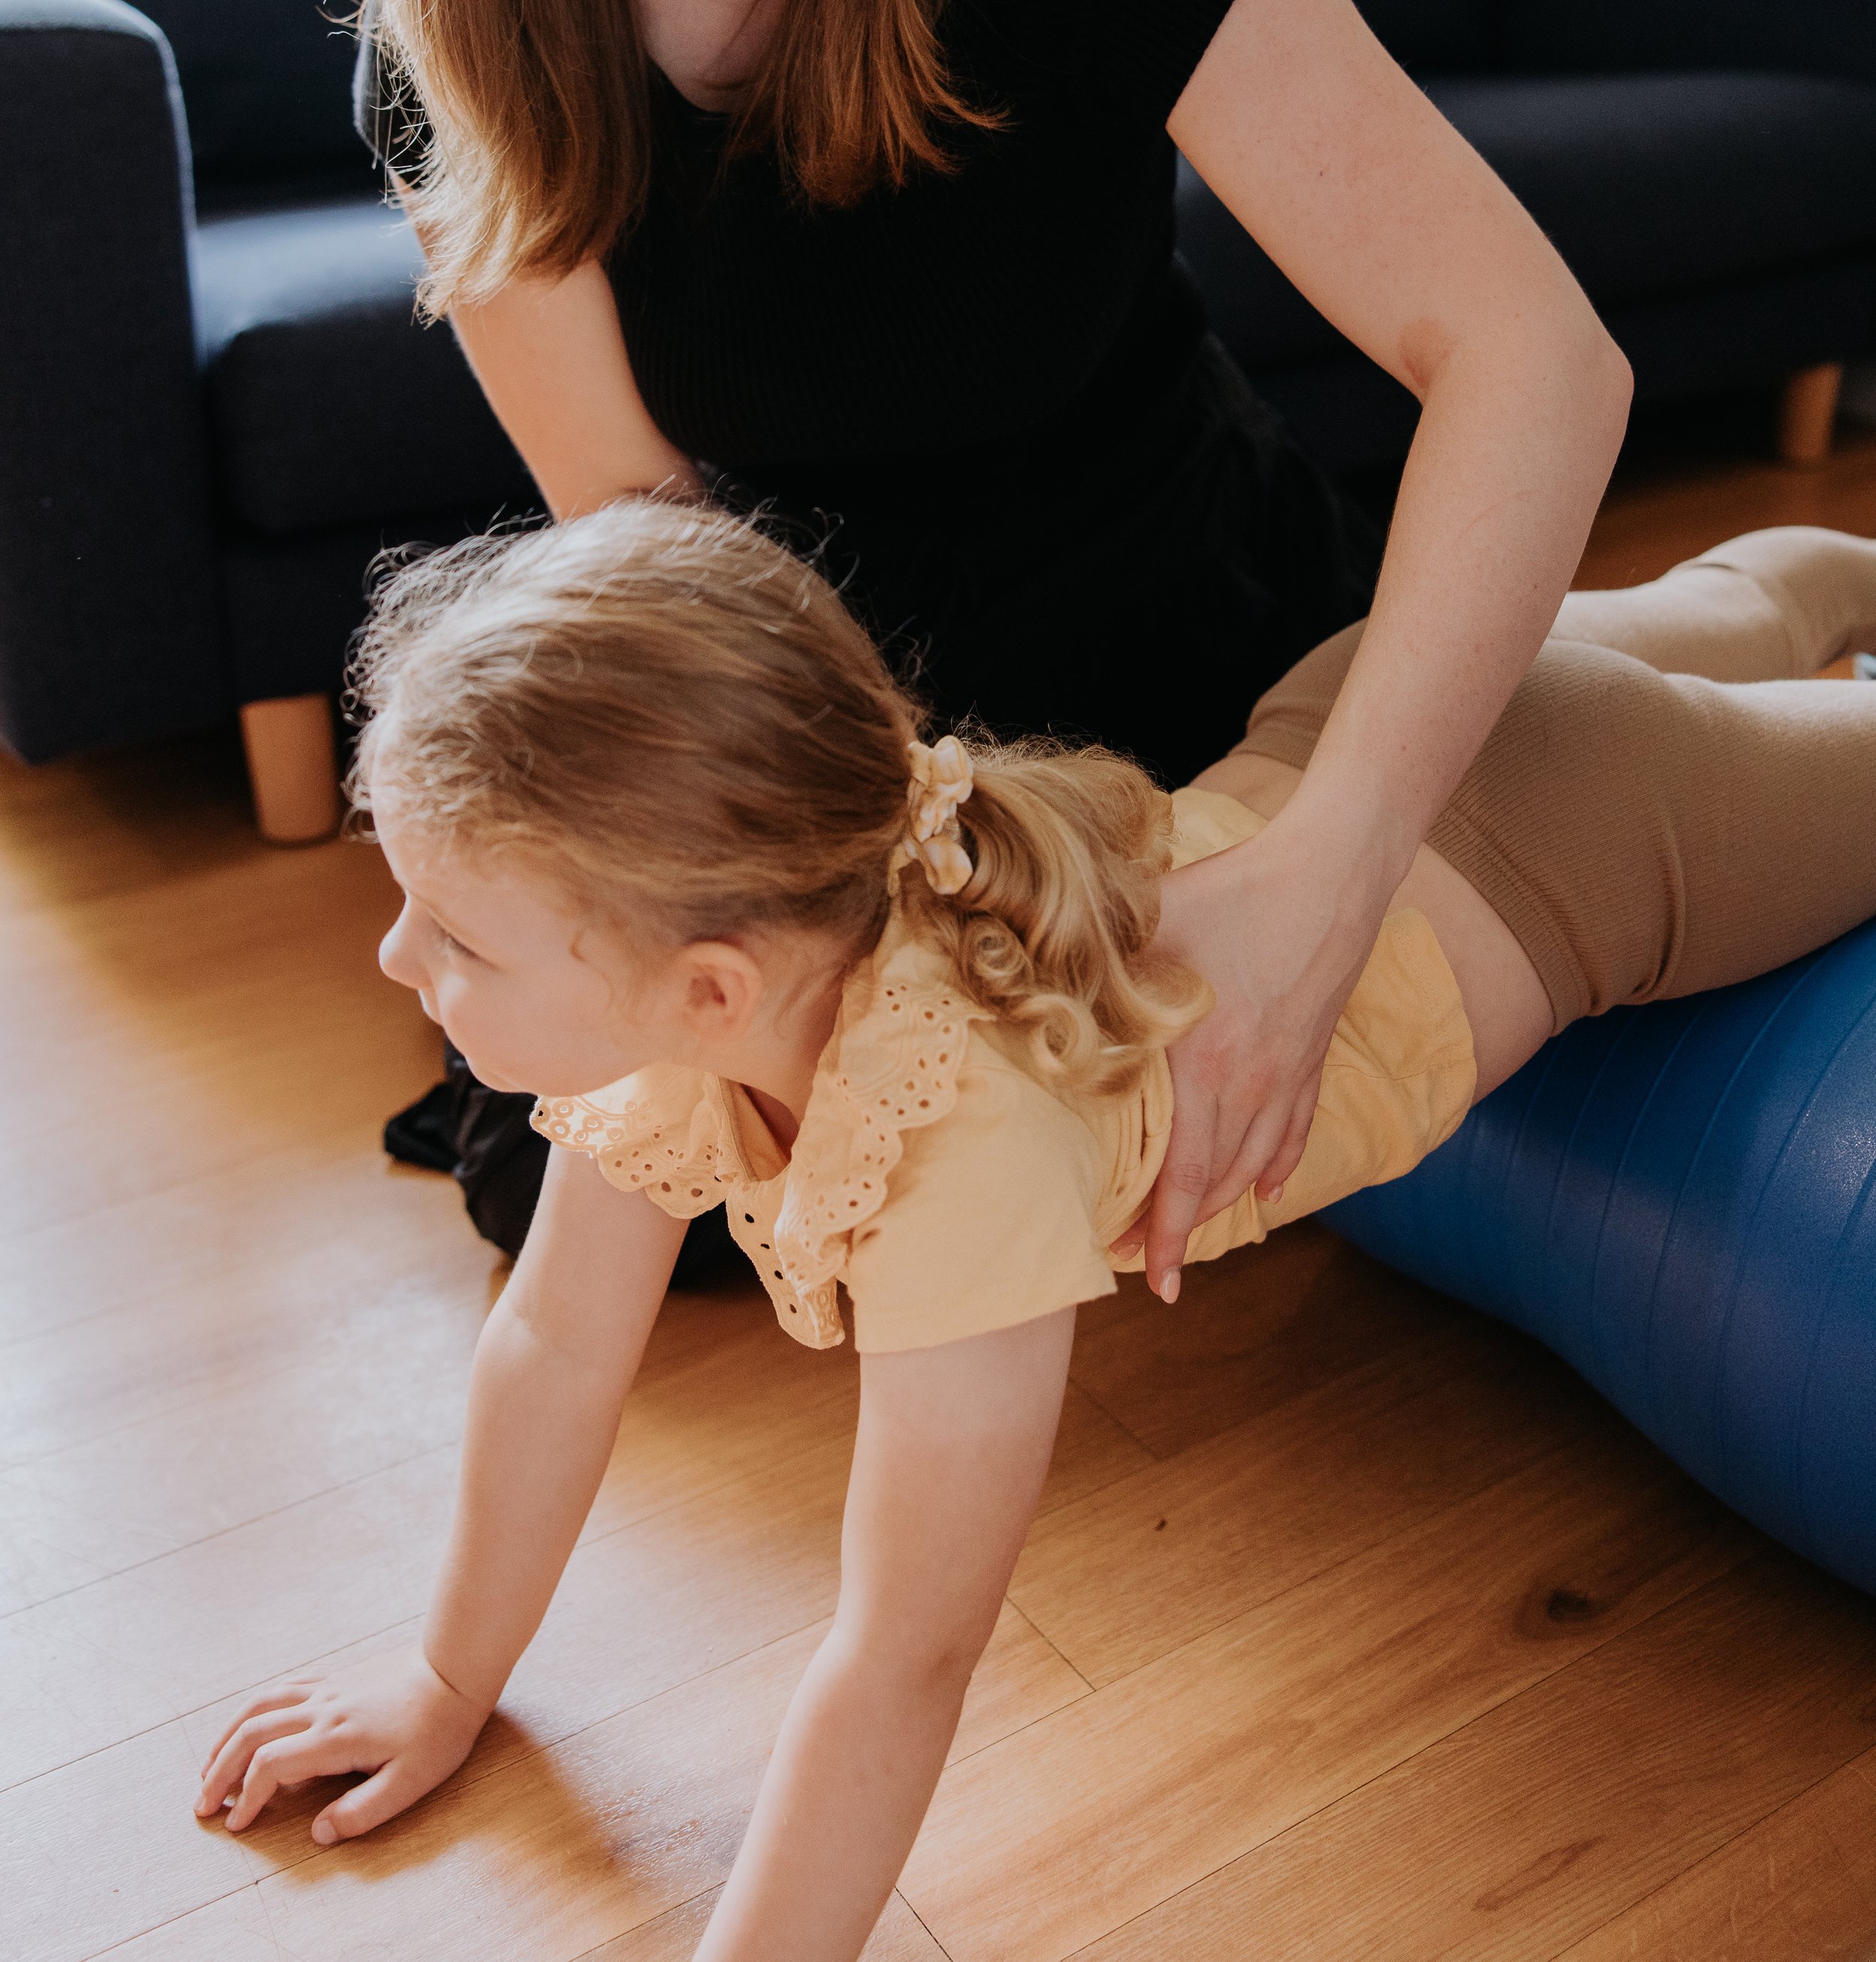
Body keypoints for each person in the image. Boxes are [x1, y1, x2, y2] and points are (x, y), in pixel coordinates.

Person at [343, 0, 1632, 1281]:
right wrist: (897, 954)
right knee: (654, 1213)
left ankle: (1763, 605)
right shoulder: (466, 34)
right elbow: (669, 570)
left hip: (1201, 664)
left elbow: (1537, 357)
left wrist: (1321, 874)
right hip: (824, 757)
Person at [196, 503, 1876, 1954]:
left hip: (1583, 847)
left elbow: (903, 1653)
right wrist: (444, 1673)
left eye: (456, 938)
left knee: (1758, 642)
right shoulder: (703, 1015)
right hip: (1343, 714)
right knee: (1734, 610)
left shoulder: (954, 1139)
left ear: (711, 984)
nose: (396, 962)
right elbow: (554, 1345)